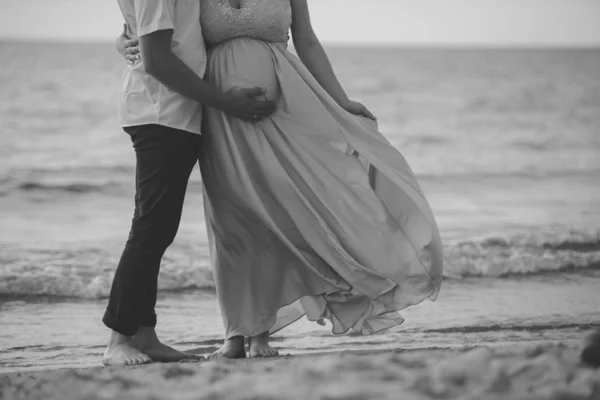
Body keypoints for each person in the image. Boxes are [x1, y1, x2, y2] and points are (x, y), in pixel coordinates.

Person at [119, 0, 444, 359]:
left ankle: (263, 332)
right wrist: (125, 41)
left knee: (289, 211)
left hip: (285, 108)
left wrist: (340, 99)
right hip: (220, 113)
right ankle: (237, 332)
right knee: (233, 220)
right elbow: (160, 31)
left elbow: (306, 40)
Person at [102, 0, 277, 366]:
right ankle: (118, 339)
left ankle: (145, 336)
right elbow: (156, 59)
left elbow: (153, 35)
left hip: (180, 113)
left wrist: (124, 40)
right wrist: (227, 103)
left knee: (159, 227)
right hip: (160, 111)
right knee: (151, 228)